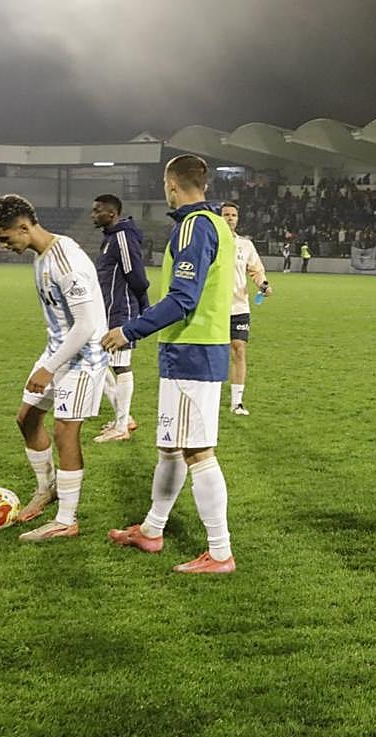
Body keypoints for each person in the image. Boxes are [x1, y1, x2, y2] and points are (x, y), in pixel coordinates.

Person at [102, 154, 238, 573]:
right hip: (196, 349)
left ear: (171, 184)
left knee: (198, 451)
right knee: (171, 447)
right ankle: (152, 529)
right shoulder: (217, 224)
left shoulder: (194, 227)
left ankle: (219, 553)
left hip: (191, 353)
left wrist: (129, 331)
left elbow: (183, 299)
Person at [0, 194, 108, 542]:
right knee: (27, 418)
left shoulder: (66, 260)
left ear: (24, 226)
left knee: (66, 431)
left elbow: (86, 324)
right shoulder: (42, 256)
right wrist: (50, 361)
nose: (5, 246)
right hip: (57, 353)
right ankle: (47, 489)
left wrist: (49, 368)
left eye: (6, 238)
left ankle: (66, 520)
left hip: (84, 358)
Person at [90, 194, 150, 443]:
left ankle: (122, 425)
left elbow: (136, 274)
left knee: (120, 364)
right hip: (107, 310)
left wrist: (142, 308)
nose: (93, 215)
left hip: (121, 309)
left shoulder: (123, 236)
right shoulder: (110, 238)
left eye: (97, 211)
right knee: (98, 363)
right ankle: (123, 419)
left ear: (111, 213)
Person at [221, 201, 272, 416]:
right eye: (226, 214)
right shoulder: (211, 243)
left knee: (239, 349)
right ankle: (207, 395)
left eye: (233, 215)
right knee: (212, 353)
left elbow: (256, 270)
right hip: (215, 308)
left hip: (239, 307)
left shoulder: (245, 245)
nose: (230, 218)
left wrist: (263, 284)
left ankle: (237, 402)